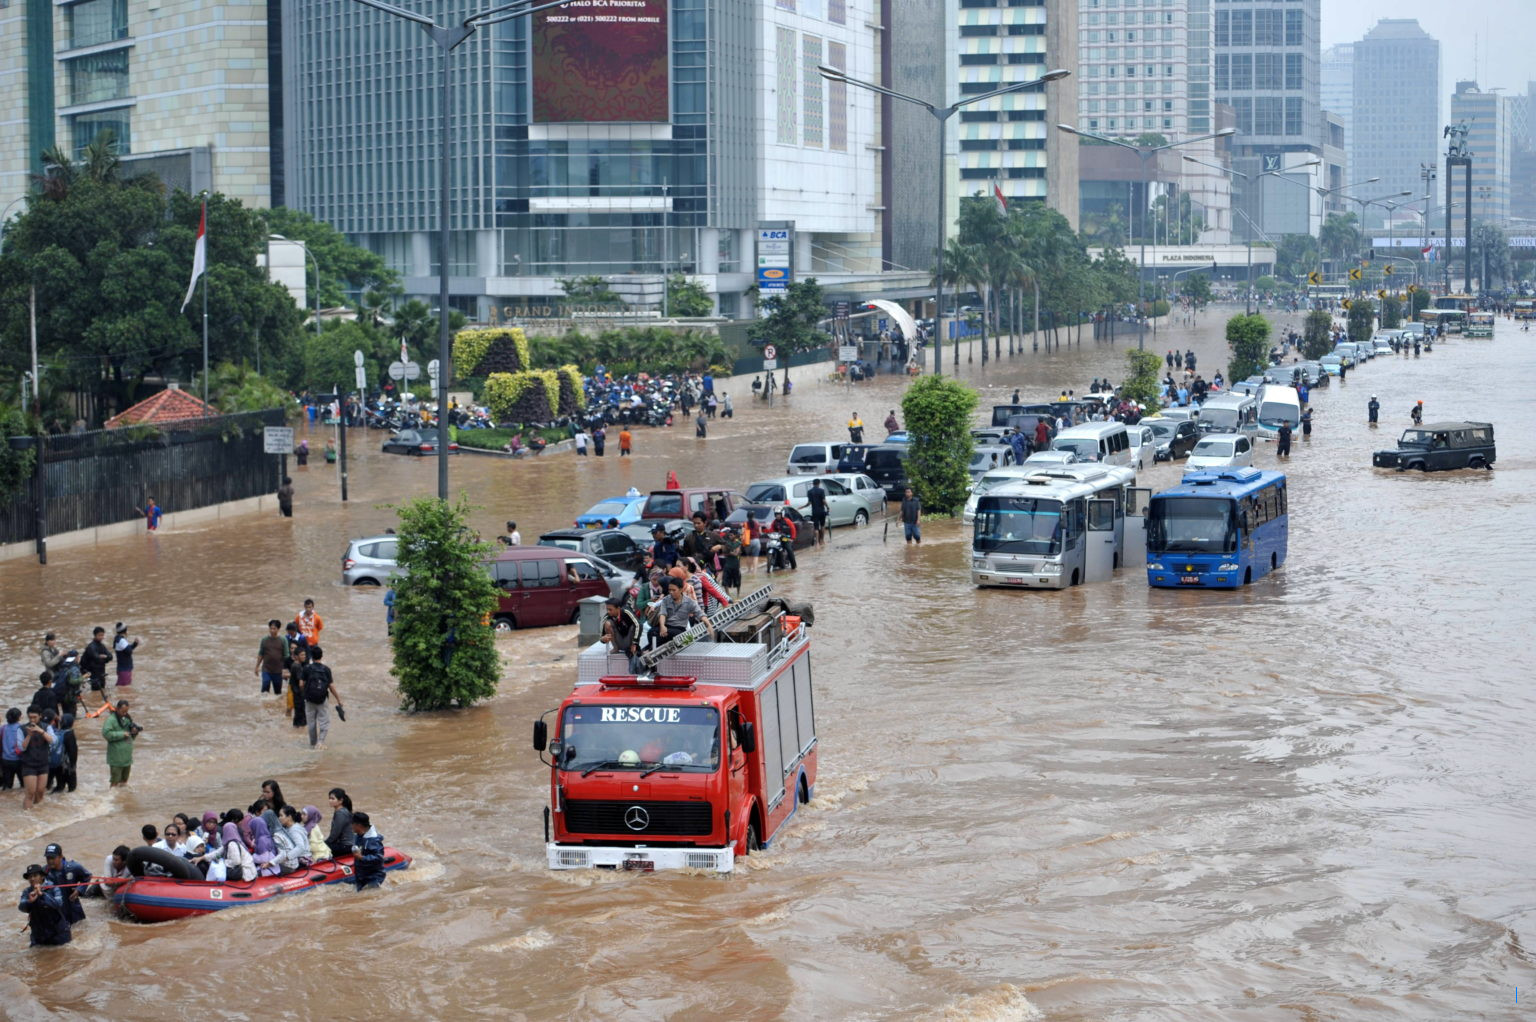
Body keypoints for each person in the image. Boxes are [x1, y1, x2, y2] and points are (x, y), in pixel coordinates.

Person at [301, 646, 344, 749]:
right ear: (322, 656)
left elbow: (301, 684)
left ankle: (312, 744)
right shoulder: (326, 669)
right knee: (324, 721)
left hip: (309, 699)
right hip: (322, 699)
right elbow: (331, 686)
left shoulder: (306, 668)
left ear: (311, 656)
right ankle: (320, 742)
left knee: (311, 723)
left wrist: (305, 693)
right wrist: (338, 699)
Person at [18, 864, 71, 946]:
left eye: (35, 876)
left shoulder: (53, 887)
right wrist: (30, 901)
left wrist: (42, 894)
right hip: (38, 934)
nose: (32, 879)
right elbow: (21, 908)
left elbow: (58, 904)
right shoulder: (27, 891)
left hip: (58, 933)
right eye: (30, 877)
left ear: (42, 876)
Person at [18, 707, 53, 810]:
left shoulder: (47, 727)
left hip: (43, 763)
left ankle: (37, 815)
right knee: (30, 793)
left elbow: (52, 741)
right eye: (30, 717)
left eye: (35, 717)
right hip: (28, 764)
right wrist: (29, 736)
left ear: (40, 716)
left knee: (41, 791)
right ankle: (26, 816)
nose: (32, 720)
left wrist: (41, 731)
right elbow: (21, 747)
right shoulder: (21, 729)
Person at [656, 577, 711, 643]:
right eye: (669, 590)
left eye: (674, 590)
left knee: (670, 634)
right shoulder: (666, 600)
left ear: (681, 590)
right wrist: (662, 626)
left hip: (679, 629)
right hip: (667, 626)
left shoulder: (689, 602)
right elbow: (662, 614)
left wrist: (708, 625)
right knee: (652, 632)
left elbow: (700, 614)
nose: (671, 592)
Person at [102, 700, 139, 787]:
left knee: (124, 781)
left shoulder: (127, 719)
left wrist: (134, 732)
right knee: (114, 782)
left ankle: (122, 799)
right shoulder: (111, 720)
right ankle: (112, 799)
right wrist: (121, 734)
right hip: (116, 758)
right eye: (123, 711)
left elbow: (131, 736)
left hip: (127, 757)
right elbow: (106, 734)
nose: (125, 713)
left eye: (126, 711)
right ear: (117, 709)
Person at [602, 597, 644, 672]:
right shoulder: (607, 616)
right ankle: (616, 648)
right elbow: (602, 637)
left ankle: (632, 648)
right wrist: (603, 639)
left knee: (633, 626)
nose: (608, 612)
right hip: (619, 642)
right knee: (607, 624)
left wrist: (635, 643)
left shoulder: (626, 611)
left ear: (618, 608)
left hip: (630, 642)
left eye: (610, 609)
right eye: (607, 609)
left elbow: (639, 625)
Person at [349, 812, 387, 889]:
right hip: (361, 875)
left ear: (359, 825)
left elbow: (379, 858)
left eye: (352, 823)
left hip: (373, 877)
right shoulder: (358, 836)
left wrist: (362, 857)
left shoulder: (373, 840)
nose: (351, 826)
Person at [274, 805, 311, 873]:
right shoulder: (290, 827)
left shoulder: (294, 830)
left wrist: (286, 857)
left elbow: (300, 847)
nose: (279, 818)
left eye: (281, 815)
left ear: (289, 817)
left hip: (302, 859)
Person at [256, 619, 288, 696]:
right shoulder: (264, 640)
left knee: (277, 692)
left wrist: (286, 670)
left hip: (278, 671)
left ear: (278, 629)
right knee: (265, 687)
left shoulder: (283, 640)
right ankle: (264, 706)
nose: (272, 630)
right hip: (266, 669)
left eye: (274, 629)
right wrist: (257, 666)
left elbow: (286, 656)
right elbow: (261, 654)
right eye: (270, 628)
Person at [82, 626, 112, 707]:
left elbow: (110, 656)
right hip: (93, 673)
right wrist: (104, 658)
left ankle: (100, 705)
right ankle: (95, 706)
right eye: (100, 635)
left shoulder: (101, 646)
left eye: (102, 635)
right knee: (96, 691)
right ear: (95, 635)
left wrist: (105, 657)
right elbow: (97, 658)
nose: (102, 637)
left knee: (102, 691)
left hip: (101, 672)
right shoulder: (91, 647)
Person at [325, 788, 355, 858]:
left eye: (332, 799)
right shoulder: (342, 811)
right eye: (329, 798)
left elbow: (334, 835)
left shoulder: (341, 813)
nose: (330, 801)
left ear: (341, 800)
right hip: (346, 845)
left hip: (346, 846)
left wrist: (324, 844)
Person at [113, 623, 140, 687]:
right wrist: (134, 644)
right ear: (125, 631)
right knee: (125, 690)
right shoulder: (121, 640)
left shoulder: (118, 639)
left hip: (122, 669)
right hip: (124, 670)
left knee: (122, 689)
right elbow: (129, 651)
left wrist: (134, 644)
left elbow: (127, 649)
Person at [1, 707, 21, 791]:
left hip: (5, 760)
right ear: (19, 718)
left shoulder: (2, 728)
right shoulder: (21, 728)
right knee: (24, 785)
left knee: (7, 787)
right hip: (19, 760)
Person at [807, 478, 829, 544]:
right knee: (822, 525)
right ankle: (822, 540)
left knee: (816, 528)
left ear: (813, 484)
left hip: (814, 512)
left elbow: (809, 503)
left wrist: (803, 506)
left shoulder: (809, 492)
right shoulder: (821, 490)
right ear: (819, 484)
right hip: (822, 511)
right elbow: (823, 501)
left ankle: (817, 543)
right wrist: (828, 507)